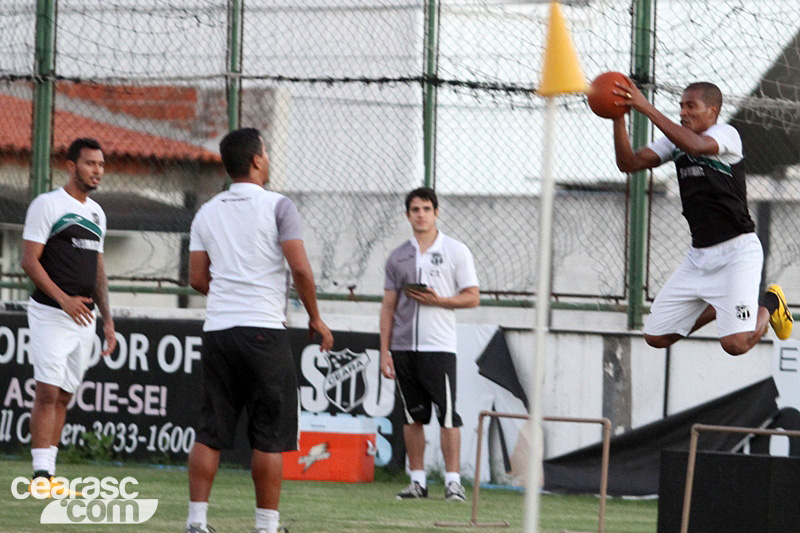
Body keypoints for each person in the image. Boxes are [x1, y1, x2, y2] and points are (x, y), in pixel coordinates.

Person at [185, 127, 333, 533]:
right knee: (269, 434)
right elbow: (300, 268)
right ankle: (266, 526)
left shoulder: (207, 211)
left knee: (210, 431)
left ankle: (196, 522)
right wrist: (315, 317)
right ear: (255, 160)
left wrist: (229, 291)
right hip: (264, 331)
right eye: (265, 152)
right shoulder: (278, 206)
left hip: (219, 331)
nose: (268, 158)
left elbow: (196, 278)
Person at [612, 80, 793, 354]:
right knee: (656, 336)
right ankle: (724, 303)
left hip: (737, 254)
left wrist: (645, 107)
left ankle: (771, 303)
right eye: (681, 106)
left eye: (691, 106)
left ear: (712, 110)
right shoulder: (675, 141)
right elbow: (629, 163)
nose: (683, 112)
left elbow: (696, 146)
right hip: (699, 258)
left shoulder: (726, 134)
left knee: (735, 344)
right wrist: (617, 118)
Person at [21, 137, 116, 495]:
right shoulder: (47, 204)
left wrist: (107, 320)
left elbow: (98, 270)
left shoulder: (98, 214)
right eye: (91, 163)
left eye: (101, 165)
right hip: (50, 312)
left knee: (64, 395)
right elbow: (29, 261)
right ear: (71, 166)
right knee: (47, 391)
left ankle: (51, 470)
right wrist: (63, 300)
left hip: (85, 319)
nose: (97, 171)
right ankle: (40, 476)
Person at [380, 187, 480, 502]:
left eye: (426, 209)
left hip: (439, 346)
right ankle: (417, 481)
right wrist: (385, 351)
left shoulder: (455, 250)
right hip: (404, 348)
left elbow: (472, 297)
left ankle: (453, 482)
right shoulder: (398, 256)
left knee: (447, 415)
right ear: (407, 214)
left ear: (436, 212)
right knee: (413, 416)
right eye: (415, 209)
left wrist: (439, 301)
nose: (421, 215)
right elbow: (388, 307)